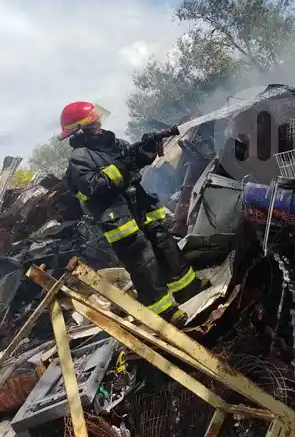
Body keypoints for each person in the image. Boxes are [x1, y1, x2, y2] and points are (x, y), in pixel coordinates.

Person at [59, 101, 204, 326]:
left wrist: (147, 147)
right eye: (93, 121)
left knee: (165, 245)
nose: (99, 123)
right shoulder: (80, 157)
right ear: (81, 129)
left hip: (141, 206)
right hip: (119, 218)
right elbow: (93, 186)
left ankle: (189, 289)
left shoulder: (113, 143)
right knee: (144, 261)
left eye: (98, 119)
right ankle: (164, 313)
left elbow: (137, 162)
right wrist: (122, 166)